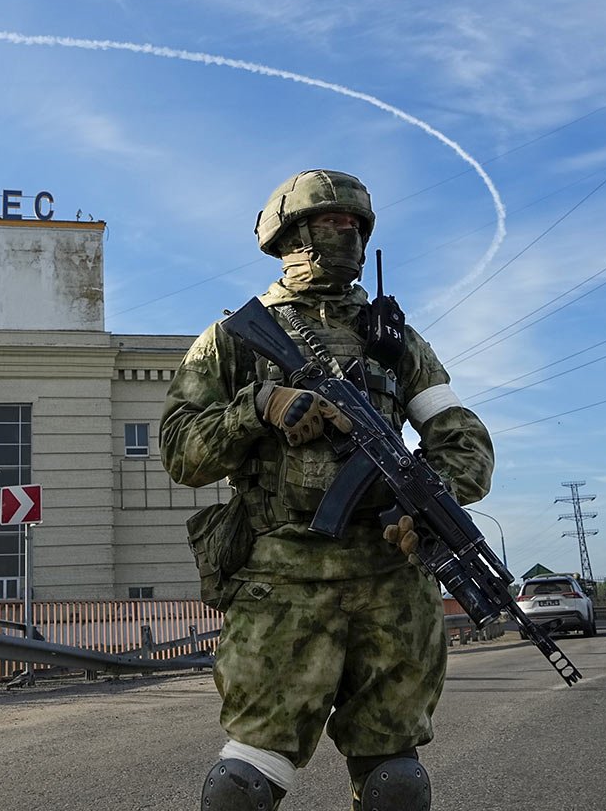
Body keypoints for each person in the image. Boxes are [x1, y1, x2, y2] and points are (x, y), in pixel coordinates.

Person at [160, 170, 495, 811]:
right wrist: (257, 407)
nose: (346, 234)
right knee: (246, 783)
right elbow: (179, 450)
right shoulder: (233, 338)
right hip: (283, 577)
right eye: (331, 222)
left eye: (355, 225)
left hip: (390, 578)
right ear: (291, 234)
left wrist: (428, 503)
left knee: (396, 782)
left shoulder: (395, 342)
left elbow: (464, 439)